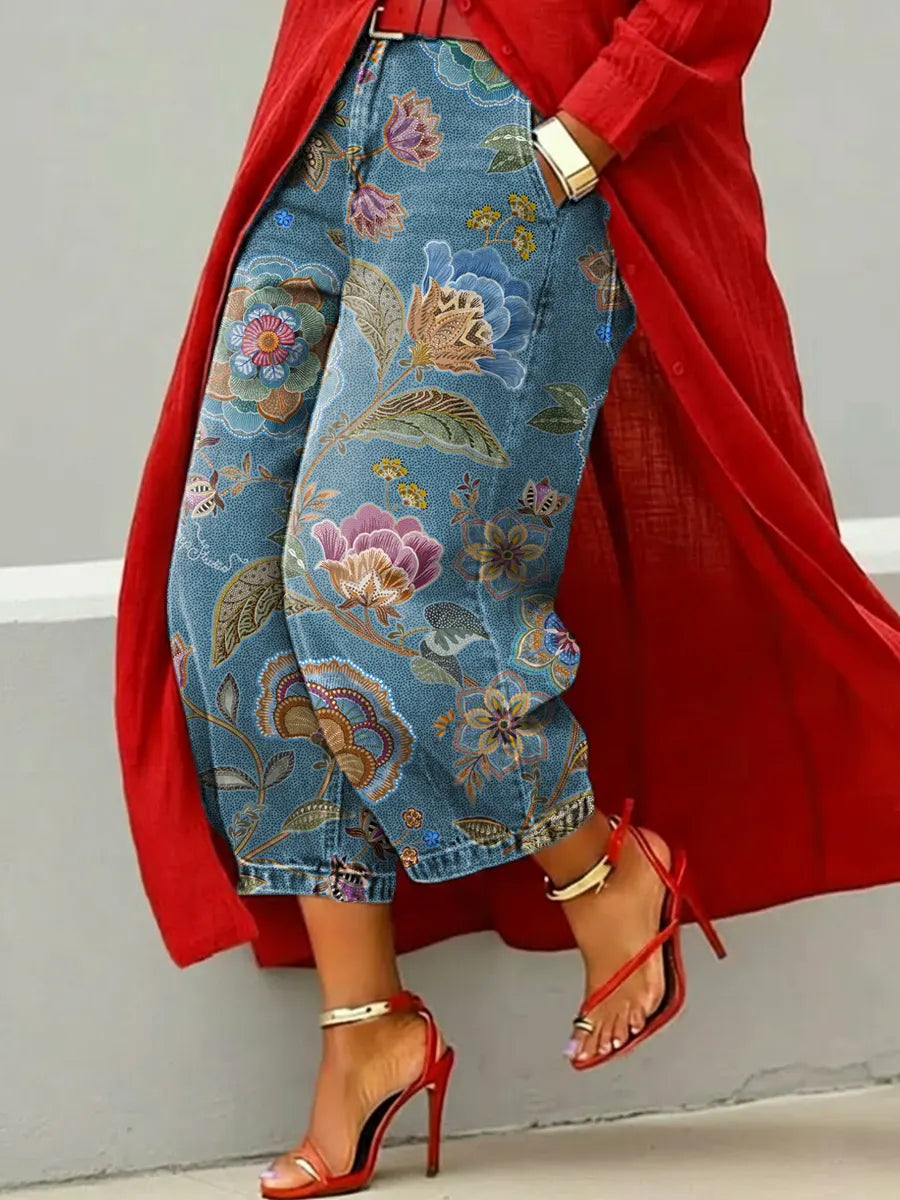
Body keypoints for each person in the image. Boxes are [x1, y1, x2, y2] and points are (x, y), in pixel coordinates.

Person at [115, 3, 900, 1198]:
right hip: (330, 100)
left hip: (501, 113)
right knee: (225, 585)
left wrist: (597, 120)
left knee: (361, 573)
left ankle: (601, 867)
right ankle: (367, 1027)